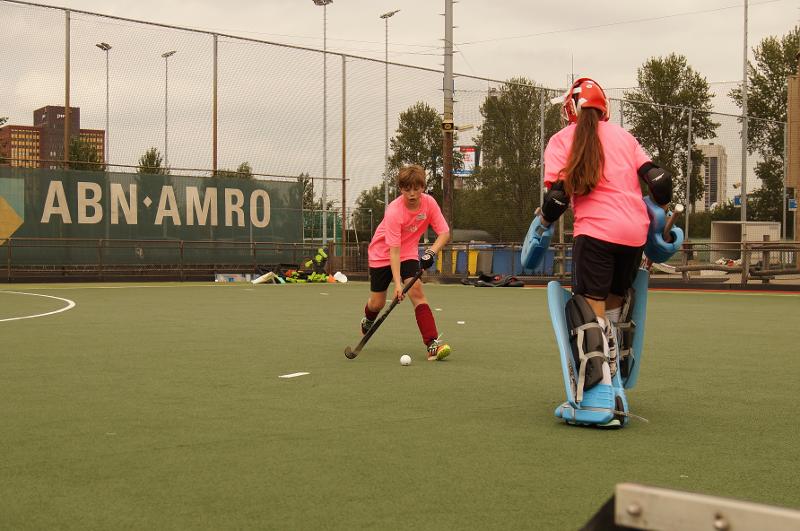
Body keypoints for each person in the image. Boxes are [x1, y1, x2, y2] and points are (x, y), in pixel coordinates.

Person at [539, 77, 672, 383]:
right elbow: (660, 181)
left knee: (590, 307)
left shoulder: (562, 139)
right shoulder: (625, 137)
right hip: (634, 233)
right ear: (604, 109)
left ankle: (601, 386)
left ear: (570, 109)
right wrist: (661, 218)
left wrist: (543, 223)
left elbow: (557, 199)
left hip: (597, 232)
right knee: (613, 305)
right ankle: (615, 373)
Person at [361, 164, 452, 361]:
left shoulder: (429, 204)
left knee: (417, 291)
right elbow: (393, 251)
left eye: (416, 188)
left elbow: (444, 233)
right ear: (400, 189)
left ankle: (432, 344)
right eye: (406, 189)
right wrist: (398, 284)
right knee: (377, 303)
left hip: (408, 253)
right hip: (382, 253)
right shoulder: (394, 211)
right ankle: (368, 318)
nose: (412, 194)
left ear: (422, 187)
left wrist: (430, 252)